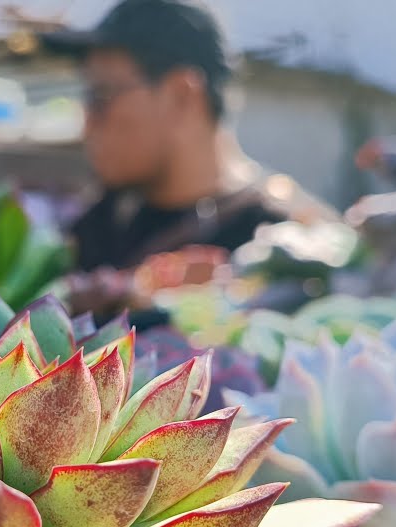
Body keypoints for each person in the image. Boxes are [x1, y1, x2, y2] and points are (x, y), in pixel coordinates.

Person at [40, 0, 297, 321]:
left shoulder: (271, 248)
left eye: (102, 97)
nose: (87, 123)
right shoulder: (104, 217)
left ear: (181, 96)